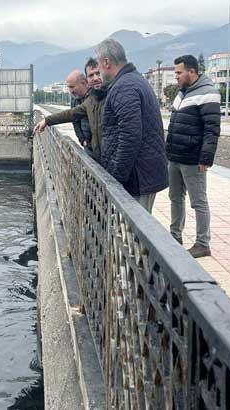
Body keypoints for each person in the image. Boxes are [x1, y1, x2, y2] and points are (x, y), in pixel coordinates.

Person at [95, 38, 168, 213]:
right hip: (142, 174)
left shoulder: (124, 86)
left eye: (98, 64)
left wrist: (115, 180)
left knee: (134, 235)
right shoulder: (132, 80)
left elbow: (130, 136)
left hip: (137, 178)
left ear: (106, 62)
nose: (97, 70)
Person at [166, 54, 221, 258]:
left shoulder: (208, 93)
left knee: (198, 201)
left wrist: (206, 158)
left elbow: (212, 129)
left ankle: (202, 243)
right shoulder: (181, 93)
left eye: (179, 72)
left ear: (192, 71)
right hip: (175, 156)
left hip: (193, 159)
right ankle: (175, 235)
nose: (176, 76)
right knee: (175, 197)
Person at [34, 58, 107, 161]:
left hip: (105, 152)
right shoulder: (86, 101)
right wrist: (83, 141)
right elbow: (72, 116)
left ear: (83, 83)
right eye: (91, 75)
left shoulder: (103, 96)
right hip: (92, 148)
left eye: (98, 74)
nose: (95, 78)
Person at [65, 70, 93, 150]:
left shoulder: (94, 96)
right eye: (69, 87)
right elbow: (74, 120)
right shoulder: (74, 99)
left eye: (72, 87)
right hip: (87, 144)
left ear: (83, 83)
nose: (71, 91)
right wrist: (82, 140)